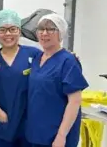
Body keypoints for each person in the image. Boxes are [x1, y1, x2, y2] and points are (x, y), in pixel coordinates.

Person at [25, 13, 88, 147]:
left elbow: (74, 102)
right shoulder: (37, 59)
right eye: (41, 29)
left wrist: (61, 136)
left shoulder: (68, 61)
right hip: (36, 133)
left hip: (57, 136)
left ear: (61, 33)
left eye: (51, 29)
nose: (44, 33)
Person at [0, 9, 42, 147]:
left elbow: (54, 64)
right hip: (3, 121)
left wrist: (71, 57)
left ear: (19, 31)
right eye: (2, 30)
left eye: (13, 29)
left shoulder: (34, 54)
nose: (8, 34)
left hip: (29, 121)